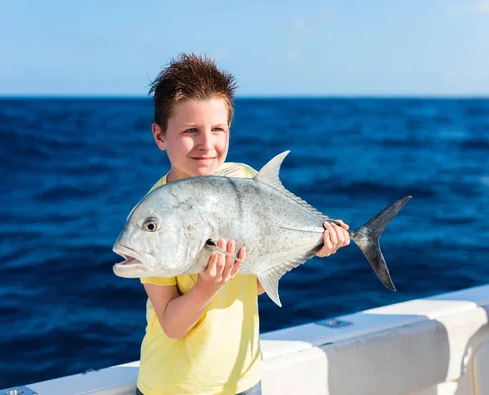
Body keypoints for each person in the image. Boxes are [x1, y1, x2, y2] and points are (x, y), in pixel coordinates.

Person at [134, 53, 350, 395]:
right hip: (173, 386)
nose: (207, 144)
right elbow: (172, 325)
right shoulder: (157, 215)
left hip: (245, 380)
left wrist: (316, 246)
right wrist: (208, 285)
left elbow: (253, 284)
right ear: (160, 135)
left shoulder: (246, 180)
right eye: (191, 130)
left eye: (217, 129)